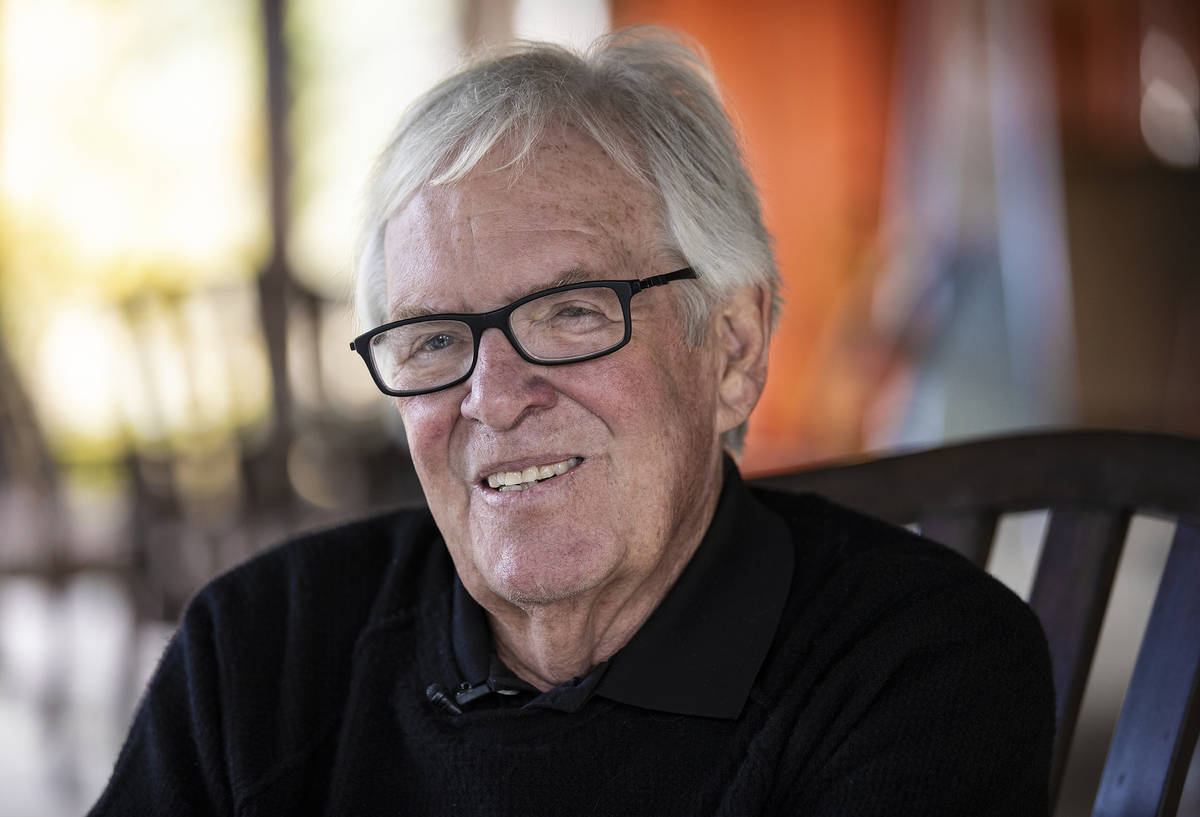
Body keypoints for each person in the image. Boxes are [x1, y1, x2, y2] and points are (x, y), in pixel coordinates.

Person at [90, 28, 1054, 816]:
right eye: (434, 339)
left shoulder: (920, 668)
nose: (495, 395)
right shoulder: (261, 648)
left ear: (732, 347)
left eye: (572, 313)